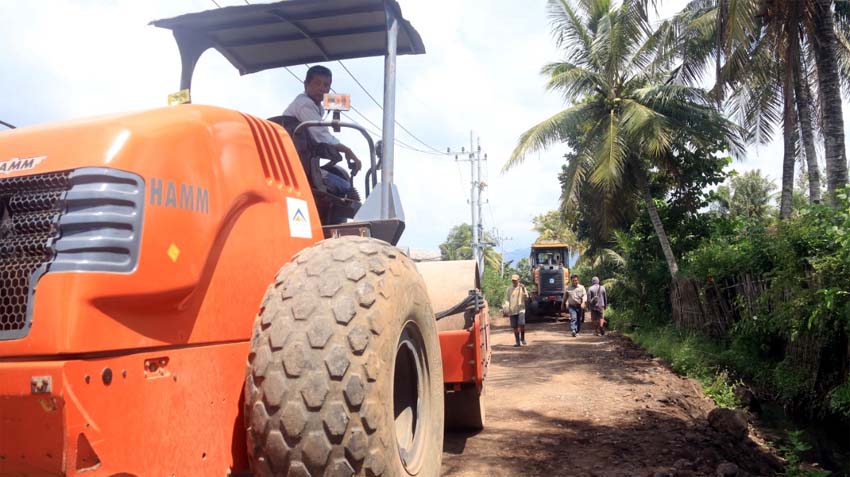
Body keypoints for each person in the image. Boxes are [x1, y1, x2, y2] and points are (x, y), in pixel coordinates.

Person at [283, 65, 362, 196]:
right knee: (347, 188)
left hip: (304, 162)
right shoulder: (305, 105)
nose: (322, 89)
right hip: (299, 166)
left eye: (326, 85)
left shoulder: (316, 105)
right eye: (317, 83)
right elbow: (323, 137)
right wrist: (348, 151)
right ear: (306, 85)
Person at [504, 274, 529, 347]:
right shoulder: (509, 289)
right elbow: (507, 300)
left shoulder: (522, 288)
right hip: (512, 310)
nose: (514, 282)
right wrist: (506, 307)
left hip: (521, 309)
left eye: (515, 280)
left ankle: (523, 339)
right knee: (515, 327)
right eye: (513, 280)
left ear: (518, 280)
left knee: (522, 324)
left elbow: (526, 297)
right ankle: (517, 342)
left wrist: (524, 288)